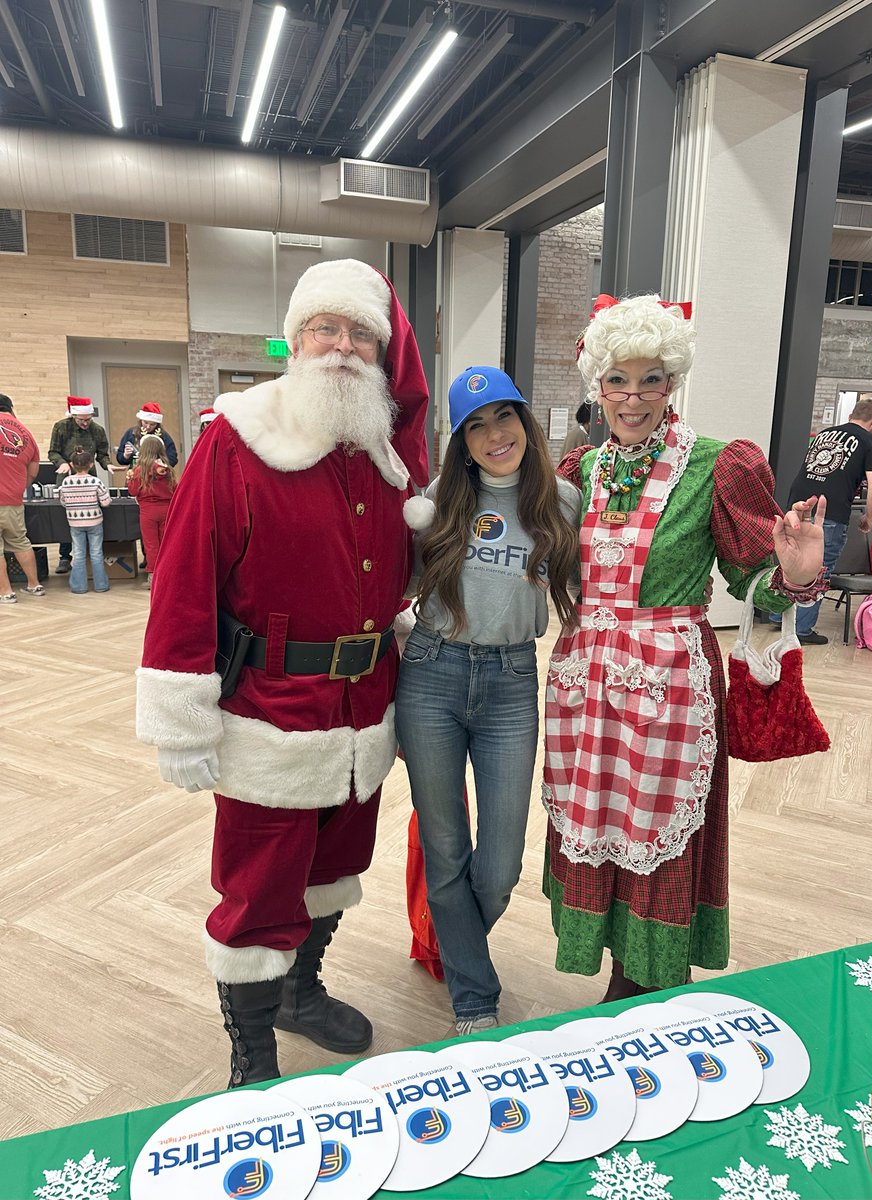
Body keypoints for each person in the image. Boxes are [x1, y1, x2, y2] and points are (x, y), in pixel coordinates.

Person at [134, 258, 429, 1087]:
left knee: (336, 870)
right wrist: (182, 718)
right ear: (294, 342)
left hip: (363, 711)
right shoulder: (238, 437)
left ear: (380, 350)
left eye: (359, 332)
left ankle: (300, 992)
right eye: (324, 329)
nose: (342, 347)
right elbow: (185, 580)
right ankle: (252, 1055)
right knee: (259, 891)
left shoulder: (385, 453)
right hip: (268, 711)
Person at [544, 293, 827, 1002]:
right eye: (618, 379)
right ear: (597, 386)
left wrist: (792, 573)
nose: (633, 397)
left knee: (655, 824)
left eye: (650, 379)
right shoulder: (578, 473)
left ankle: (643, 983)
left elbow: (752, 578)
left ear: (672, 382)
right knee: (596, 818)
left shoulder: (715, 465)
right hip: (586, 681)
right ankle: (612, 962)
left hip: (668, 681)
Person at [395, 366, 580, 1034]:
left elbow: (594, 596)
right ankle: (476, 999)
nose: (493, 434)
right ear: (461, 440)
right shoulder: (440, 498)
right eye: (476, 425)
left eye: (503, 417)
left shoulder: (562, 501)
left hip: (510, 685)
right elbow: (394, 582)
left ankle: (454, 944)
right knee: (447, 851)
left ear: (524, 422)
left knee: (500, 866)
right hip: (432, 676)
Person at [768, 397, 872, 645]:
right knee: (819, 566)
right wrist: (869, 518)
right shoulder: (871, 442)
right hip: (827, 511)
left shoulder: (825, 434)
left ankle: (778, 615)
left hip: (796, 505)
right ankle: (801, 628)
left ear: (852, 414)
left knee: (790, 561)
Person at [48, 396, 111, 575]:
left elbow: (102, 454)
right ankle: (64, 557)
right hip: (66, 476)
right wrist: (62, 463)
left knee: (89, 515)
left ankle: (92, 557)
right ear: (74, 416)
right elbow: (53, 452)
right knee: (66, 516)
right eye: (82, 420)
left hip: (88, 476)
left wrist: (107, 465)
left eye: (88, 419)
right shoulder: (61, 427)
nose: (85, 423)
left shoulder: (97, 430)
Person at [0, 394, 44, 603]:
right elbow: (34, 471)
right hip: (14, 500)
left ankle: (6, 592)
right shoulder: (25, 432)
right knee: (20, 541)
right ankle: (34, 585)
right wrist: (18, 488)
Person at [126, 433, 176, 591]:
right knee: (166, 543)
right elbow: (175, 490)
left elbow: (133, 492)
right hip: (167, 510)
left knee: (151, 545)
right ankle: (168, 575)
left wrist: (129, 480)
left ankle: (153, 578)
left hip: (147, 512)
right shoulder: (167, 470)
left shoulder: (138, 470)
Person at [58, 447, 112, 594]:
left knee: (78, 554)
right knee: (96, 554)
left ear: (72, 465)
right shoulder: (95, 481)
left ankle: (78, 587)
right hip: (94, 522)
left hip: (75, 523)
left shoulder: (66, 483)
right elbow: (106, 502)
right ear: (91, 464)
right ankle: (101, 585)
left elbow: (63, 502)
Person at [115, 401, 178, 469]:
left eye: (152, 424)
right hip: (136, 474)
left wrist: (160, 463)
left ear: (157, 424)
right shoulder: (131, 433)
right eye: (145, 423)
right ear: (141, 420)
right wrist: (125, 456)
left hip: (157, 475)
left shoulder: (163, 436)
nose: (148, 427)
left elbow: (173, 458)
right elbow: (120, 458)